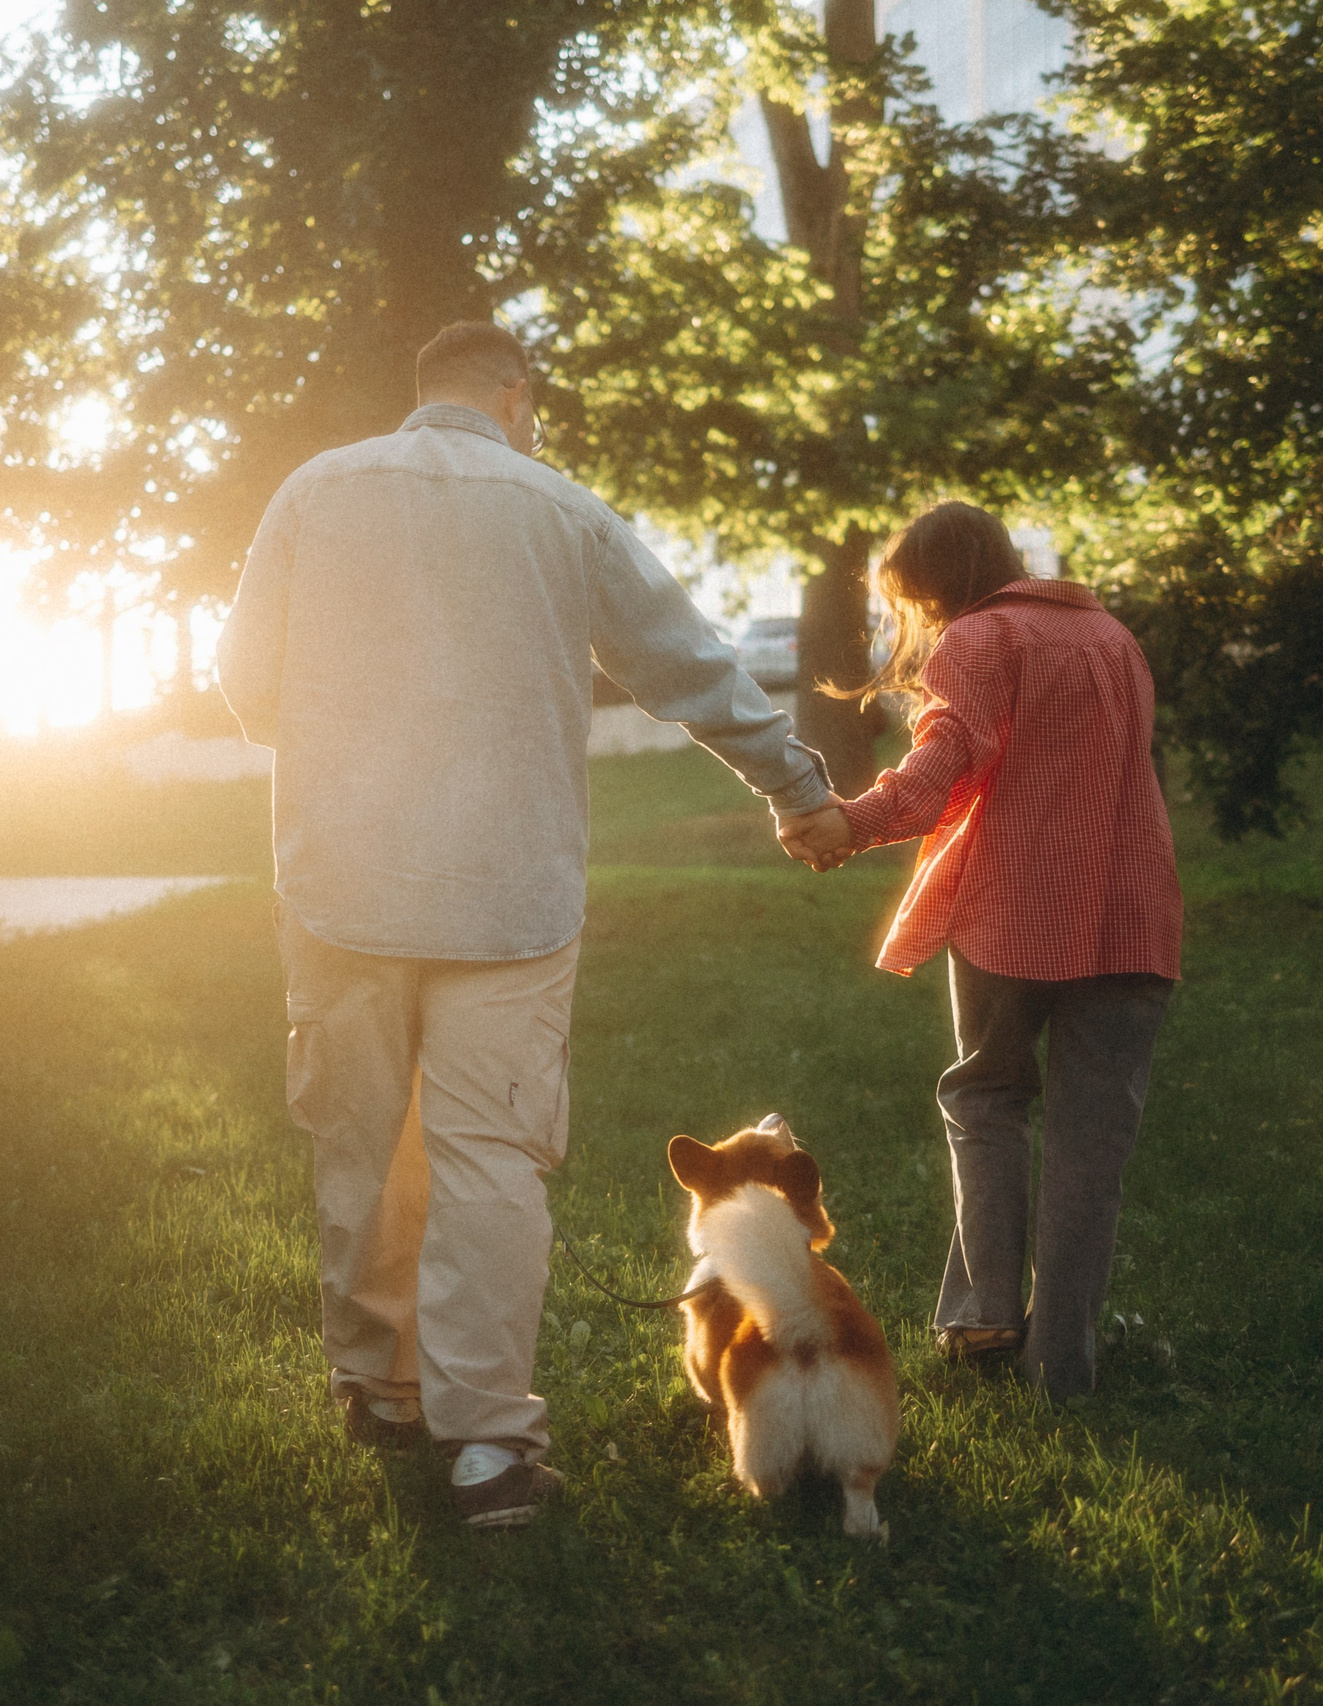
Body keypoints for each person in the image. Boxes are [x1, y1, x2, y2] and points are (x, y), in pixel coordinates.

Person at [216, 321, 840, 1528]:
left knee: (358, 1142)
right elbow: (689, 666)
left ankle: (378, 1388)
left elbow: (247, 680)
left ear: (422, 390)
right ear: (515, 395)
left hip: (340, 883)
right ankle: (488, 1448)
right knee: (490, 1157)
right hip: (505, 893)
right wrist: (799, 792)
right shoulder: (556, 506)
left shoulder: (312, 491)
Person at [778, 501, 1182, 1399]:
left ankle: (985, 1314)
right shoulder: (1114, 637)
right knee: (1091, 1144)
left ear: (934, 586)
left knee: (987, 1095)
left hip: (1015, 915)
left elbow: (933, 776)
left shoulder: (979, 640)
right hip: (1132, 916)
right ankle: (1062, 1365)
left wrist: (845, 823)